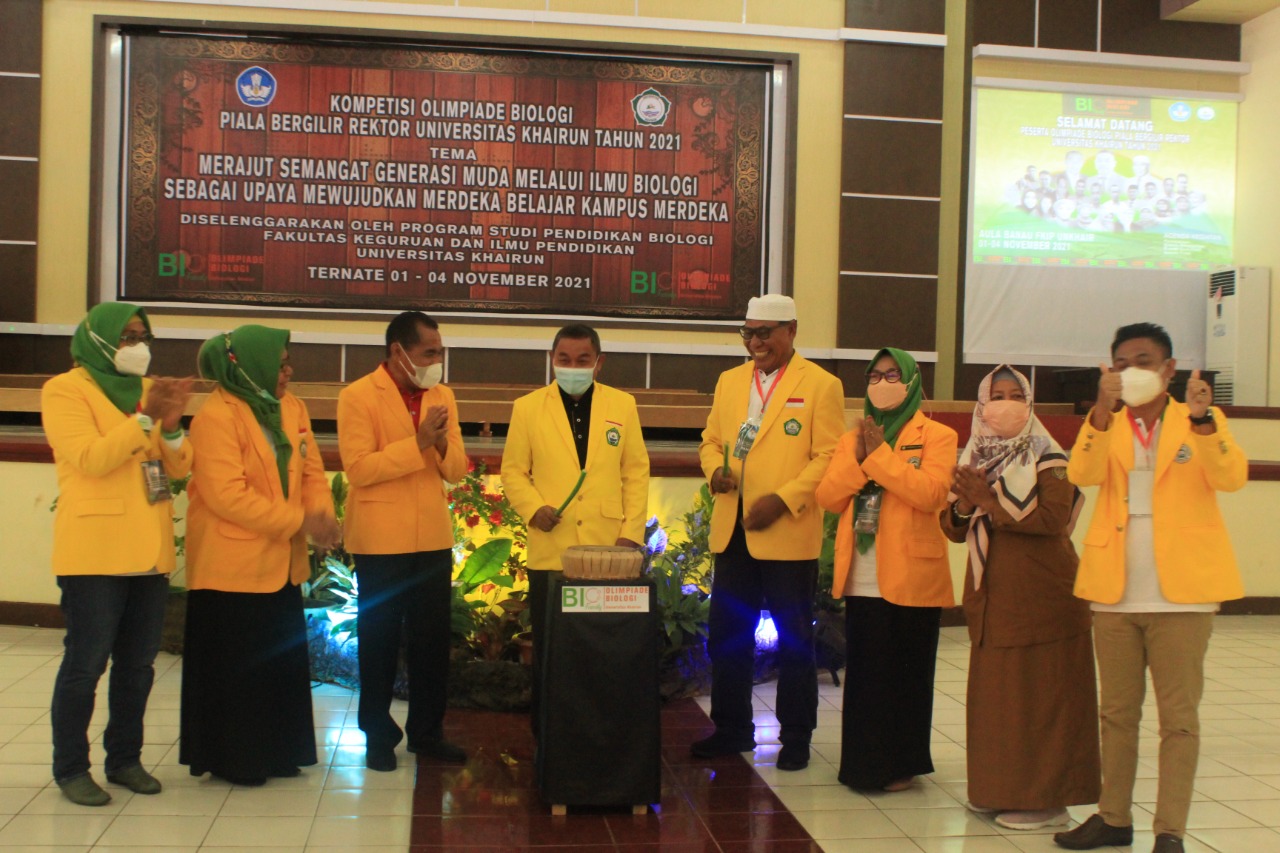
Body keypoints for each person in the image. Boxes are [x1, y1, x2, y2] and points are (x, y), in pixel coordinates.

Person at [1053, 323, 1247, 853]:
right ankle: (1113, 817)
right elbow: (1082, 473)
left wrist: (1205, 420)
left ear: (1169, 369)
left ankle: (1170, 830)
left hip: (1183, 594)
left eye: (1144, 360)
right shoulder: (1107, 423)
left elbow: (1231, 477)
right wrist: (1098, 411)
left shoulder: (1198, 420)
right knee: (1116, 714)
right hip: (1115, 589)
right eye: (1121, 362)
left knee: (1178, 720)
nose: (1131, 371)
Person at [41, 303, 192, 806]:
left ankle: (124, 759)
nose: (138, 346)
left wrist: (170, 425)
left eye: (142, 336)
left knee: (139, 666)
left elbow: (175, 468)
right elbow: (91, 458)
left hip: (147, 551)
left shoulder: (143, 396)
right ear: (100, 339)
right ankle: (71, 768)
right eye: (127, 337)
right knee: (86, 664)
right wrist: (145, 416)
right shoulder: (66, 389)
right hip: (95, 554)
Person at [940, 366, 1099, 830]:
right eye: (996, 395)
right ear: (981, 405)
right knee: (1000, 703)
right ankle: (1000, 791)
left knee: (1044, 702)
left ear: (1030, 404)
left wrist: (990, 502)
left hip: (1044, 598)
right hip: (993, 599)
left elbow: (1053, 518)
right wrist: (968, 503)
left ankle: (1049, 801)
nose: (1005, 404)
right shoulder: (975, 455)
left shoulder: (1050, 457)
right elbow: (951, 527)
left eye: (1015, 395)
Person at [691, 294, 844, 772]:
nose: (755, 343)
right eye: (748, 333)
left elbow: (829, 455)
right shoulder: (729, 381)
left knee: (795, 641)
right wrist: (715, 470)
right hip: (733, 530)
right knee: (728, 636)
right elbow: (711, 440)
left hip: (787, 532)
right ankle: (732, 728)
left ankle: (796, 736)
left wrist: (782, 499)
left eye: (764, 333)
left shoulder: (821, 385)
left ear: (791, 331)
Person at [181, 325, 339, 786]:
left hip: (280, 562)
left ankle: (278, 751)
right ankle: (238, 758)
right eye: (280, 364)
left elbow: (311, 471)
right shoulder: (216, 416)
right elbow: (227, 496)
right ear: (250, 366)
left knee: (277, 665)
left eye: (289, 363)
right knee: (238, 670)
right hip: (230, 566)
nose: (288, 372)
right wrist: (299, 523)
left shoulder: (291, 407)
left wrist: (322, 516)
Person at [814, 348, 955, 791]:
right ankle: (863, 764)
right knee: (867, 677)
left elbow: (930, 493)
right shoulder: (850, 439)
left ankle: (902, 764)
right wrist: (861, 457)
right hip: (862, 573)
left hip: (915, 574)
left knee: (907, 674)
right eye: (874, 376)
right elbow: (828, 497)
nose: (882, 383)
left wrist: (879, 457)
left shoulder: (937, 435)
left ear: (912, 382)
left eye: (893, 375)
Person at [501, 324, 650, 731]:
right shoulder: (528, 407)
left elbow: (636, 472)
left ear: (598, 363)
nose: (572, 367)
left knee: (601, 649)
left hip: (607, 553)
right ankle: (550, 737)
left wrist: (630, 535)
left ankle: (601, 734)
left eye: (582, 360)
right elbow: (513, 471)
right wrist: (533, 509)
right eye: (563, 360)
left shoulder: (623, 405)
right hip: (552, 548)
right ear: (552, 360)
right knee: (553, 652)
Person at [338, 311, 468, 771]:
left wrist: (439, 445)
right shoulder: (357, 396)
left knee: (431, 641)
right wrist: (416, 444)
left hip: (431, 536)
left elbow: (456, 471)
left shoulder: (442, 395)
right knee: (378, 640)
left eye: (440, 351)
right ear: (399, 352)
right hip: (379, 540)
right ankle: (377, 736)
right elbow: (359, 469)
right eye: (429, 353)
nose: (438, 361)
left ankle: (427, 732)